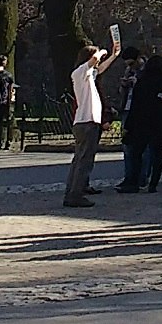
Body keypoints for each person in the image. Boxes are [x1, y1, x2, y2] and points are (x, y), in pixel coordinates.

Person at [60, 40, 114, 207]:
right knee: (84, 161)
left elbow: (100, 68)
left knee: (80, 160)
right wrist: (102, 51)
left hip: (88, 121)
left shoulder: (89, 74)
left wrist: (113, 55)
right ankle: (75, 194)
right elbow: (93, 62)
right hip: (86, 121)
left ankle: (73, 192)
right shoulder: (80, 72)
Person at [118, 47, 162, 193]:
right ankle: (153, 183)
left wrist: (129, 125)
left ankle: (134, 181)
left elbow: (136, 104)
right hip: (159, 123)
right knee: (157, 155)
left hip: (141, 122)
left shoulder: (142, 82)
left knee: (137, 152)